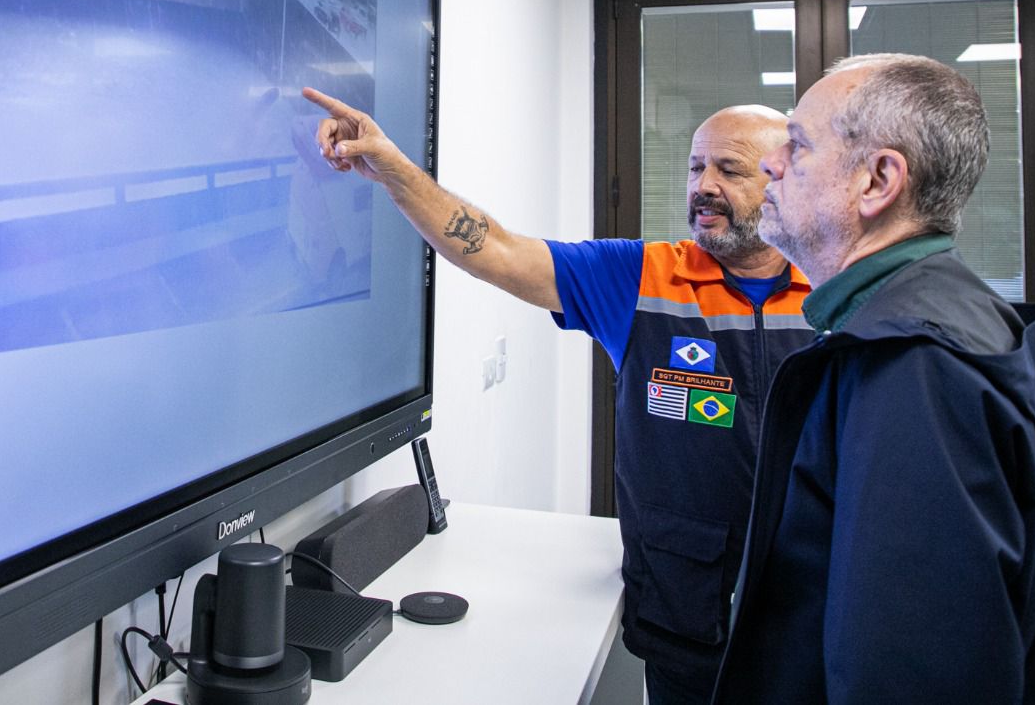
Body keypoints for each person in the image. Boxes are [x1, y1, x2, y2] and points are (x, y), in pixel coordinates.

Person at [303, 86, 813, 704]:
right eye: (695, 167)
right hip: (687, 621)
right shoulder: (643, 277)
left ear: (783, 179)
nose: (703, 185)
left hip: (810, 622)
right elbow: (495, 249)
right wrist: (393, 170)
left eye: (728, 170)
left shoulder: (832, 292)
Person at [713, 53, 1035, 705]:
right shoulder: (931, 318)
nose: (770, 164)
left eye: (797, 145)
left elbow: (910, 671)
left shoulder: (913, 368)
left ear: (878, 181)